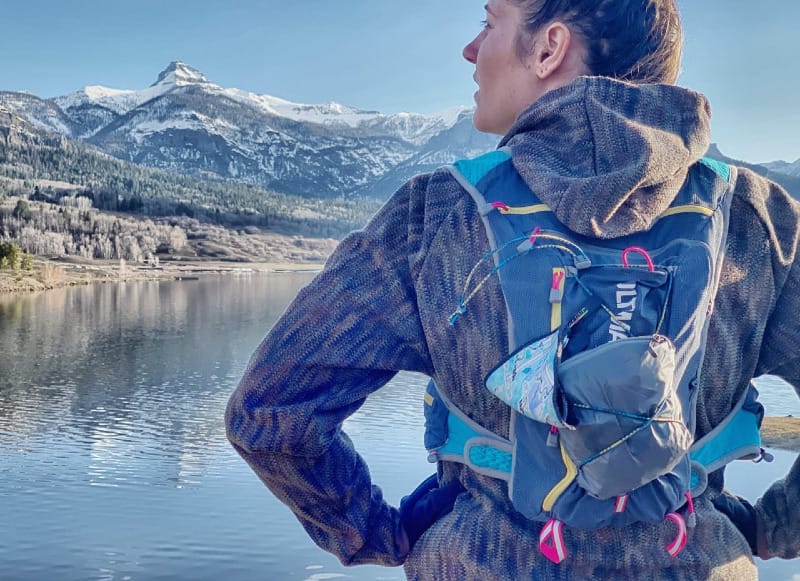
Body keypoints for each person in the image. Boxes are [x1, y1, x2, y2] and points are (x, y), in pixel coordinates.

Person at [226, 0, 800, 578]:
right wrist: (769, 526)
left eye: (489, 21)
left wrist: (376, 533)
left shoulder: (435, 216)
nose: (471, 50)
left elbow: (271, 413)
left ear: (549, 48)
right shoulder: (763, 220)